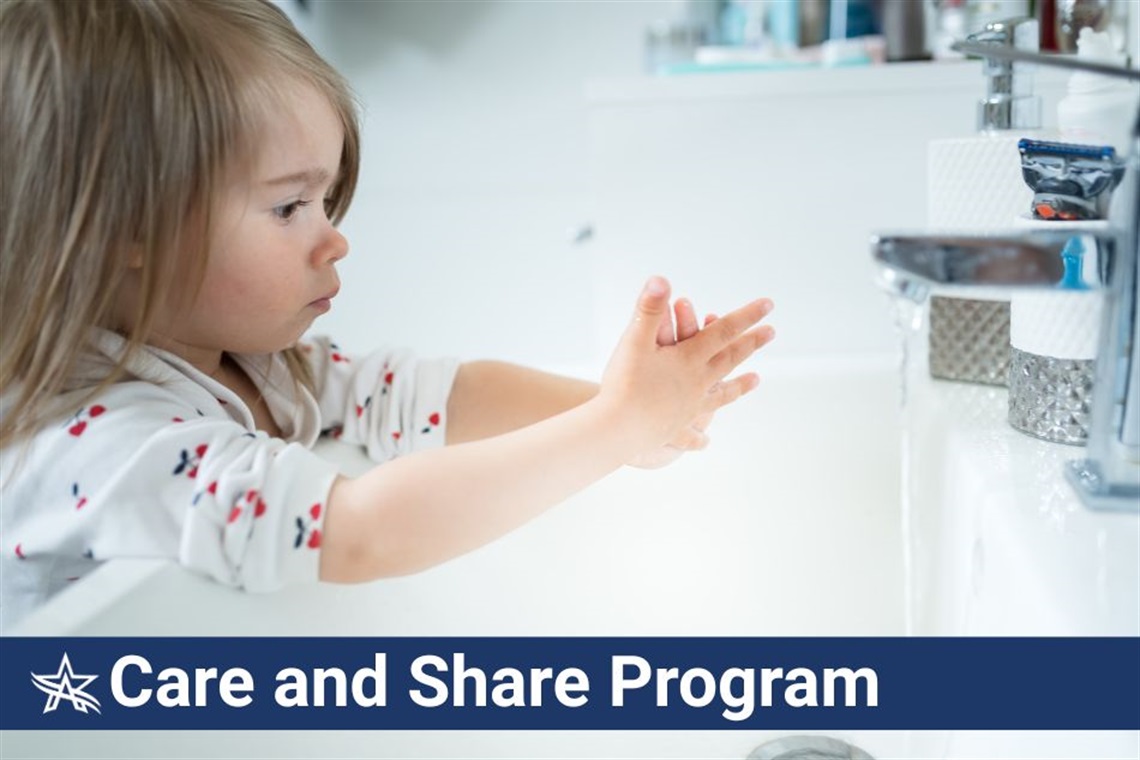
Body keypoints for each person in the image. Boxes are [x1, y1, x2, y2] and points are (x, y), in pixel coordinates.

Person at [0, 0, 775, 630]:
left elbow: (425, 395)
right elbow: (361, 532)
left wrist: (631, 419)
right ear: (128, 227)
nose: (334, 237)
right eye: (290, 206)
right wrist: (612, 429)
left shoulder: (247, 362)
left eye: (326, 200)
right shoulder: (105, 449)